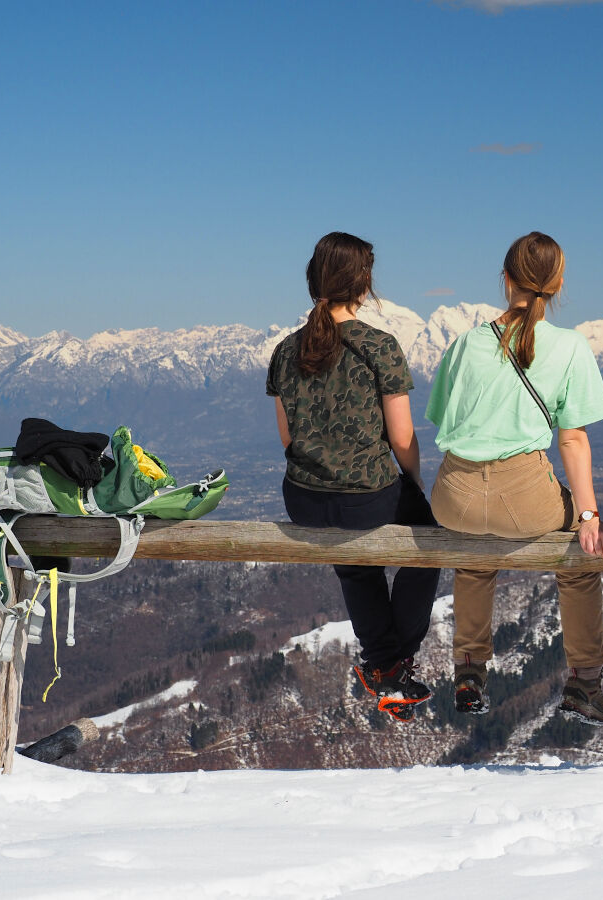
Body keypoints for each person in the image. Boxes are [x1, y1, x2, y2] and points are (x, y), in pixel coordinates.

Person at [425, 231, 603, 725]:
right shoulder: (570, 347)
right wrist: (589, 515)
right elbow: (572, 440)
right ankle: (584, 681)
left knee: (474, 551)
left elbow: (444, 421)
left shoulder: (466, 344)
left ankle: (469, 669)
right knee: (577, 555)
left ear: (505, 279)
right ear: (557, 286)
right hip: (524, 498)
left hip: (453, 496)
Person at [266, 232, 440, 722]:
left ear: (313, 280)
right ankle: (389, 662)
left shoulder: (286, 350)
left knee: (354, 562)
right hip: (367, 497)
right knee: (429, 542)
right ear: (363, 284)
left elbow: (287, 440)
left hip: (302, 499)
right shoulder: (378, 346)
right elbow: (403, 438)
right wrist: (415, 483)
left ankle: (386, 666)